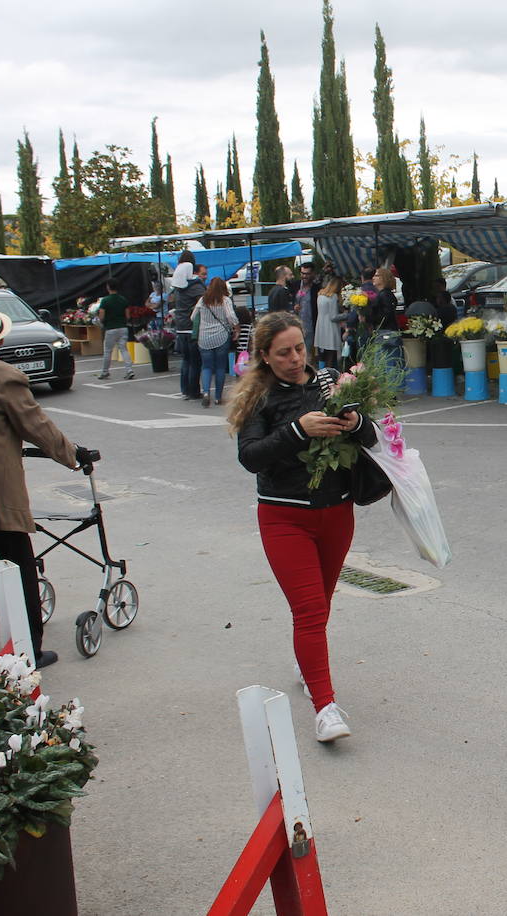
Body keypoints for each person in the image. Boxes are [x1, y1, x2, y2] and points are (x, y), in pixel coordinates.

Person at [229, 312, 378, 743]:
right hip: (284, 516)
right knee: (310, 611)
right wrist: (297, 429)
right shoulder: (257, 396)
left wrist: (357, 424)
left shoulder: (332, 381)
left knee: (322, 603)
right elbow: (251, 456)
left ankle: (306, 662)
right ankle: (325, 708)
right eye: (284, 353)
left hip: (337, 513)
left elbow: (371, 437)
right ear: (264, 356)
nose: (295, 359)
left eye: (299, 348)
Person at [0, 298, 82, 669]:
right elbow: (35, 426)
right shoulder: (2, 376)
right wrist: (72, 455)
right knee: (19, 563)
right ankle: (30, 647)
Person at [195, 276, 238, 408]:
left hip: (204, 338)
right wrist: (236, 328)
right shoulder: (225, 300)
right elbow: (231, 317)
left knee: (206, 367)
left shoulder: (202, 300)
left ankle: (206, 393)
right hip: (221, 337)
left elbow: (193, 317)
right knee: (220, 367)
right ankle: (218, 397)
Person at [170, 251, 206, 400]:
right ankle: (194, 391)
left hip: (180, 327)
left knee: (185, 361)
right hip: (192, 327)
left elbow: (170, 300)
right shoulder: (195, 286)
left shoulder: (178, 288)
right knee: (195, 362)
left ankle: (185, 390)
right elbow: (204, 302)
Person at [97, 279, 135, 380]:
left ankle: (105, 372)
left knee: (108, 351)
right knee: (123, 349)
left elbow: (101, 316)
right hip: (123, 328)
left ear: (108, 287)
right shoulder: (123, 299)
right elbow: (127, 316)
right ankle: (129, 370)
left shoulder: (105, 300)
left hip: (110, 328)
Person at [314, 274, 343, 370]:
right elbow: (333, 317)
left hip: (320, 327)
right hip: (330, 329)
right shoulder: (333, 296)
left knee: (322, 356)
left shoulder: (320, 295)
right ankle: (330, 376)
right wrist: (347, 315)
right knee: (330, 356)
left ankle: (321, 374)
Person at [296, 263, 321, 333]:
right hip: (296, 326)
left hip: (311, 327)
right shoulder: (295, 285)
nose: (304, 276)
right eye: (302, 273)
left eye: (307, 274)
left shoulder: (317, 289)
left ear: (313, 274)